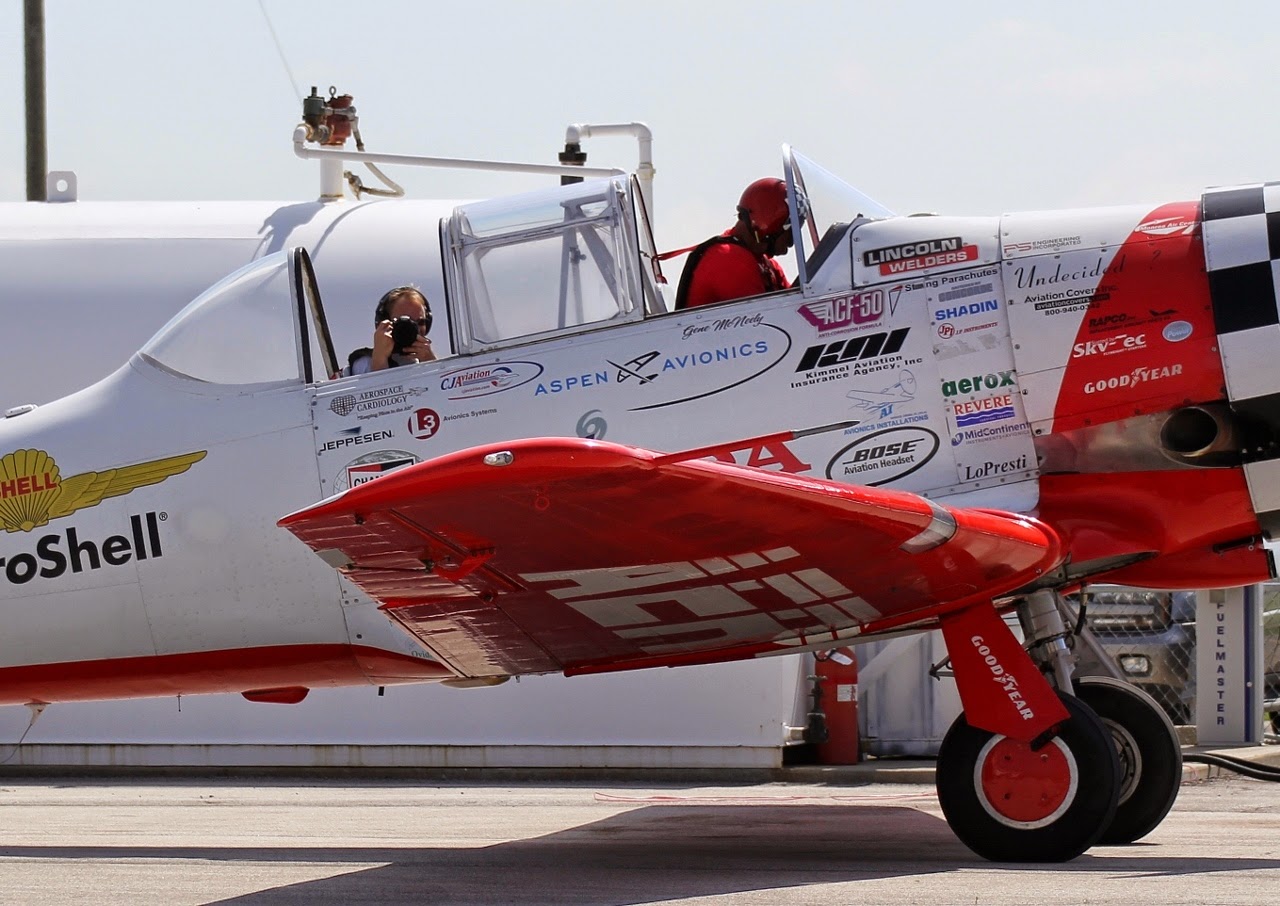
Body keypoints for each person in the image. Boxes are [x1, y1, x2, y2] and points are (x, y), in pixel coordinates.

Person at [674, 177, 794, 310]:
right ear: (771, 222)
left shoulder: (767, 264)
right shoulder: (729, 258)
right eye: (791, 231)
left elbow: (797, 307)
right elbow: (769, 318)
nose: (791, 243)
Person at [343, 285, 438, 375]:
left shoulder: (428, 365)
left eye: (420, 323)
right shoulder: (363, 364)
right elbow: (378, 390)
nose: (411, 329)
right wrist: (380, 360)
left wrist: (432, 365)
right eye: (403, 323)